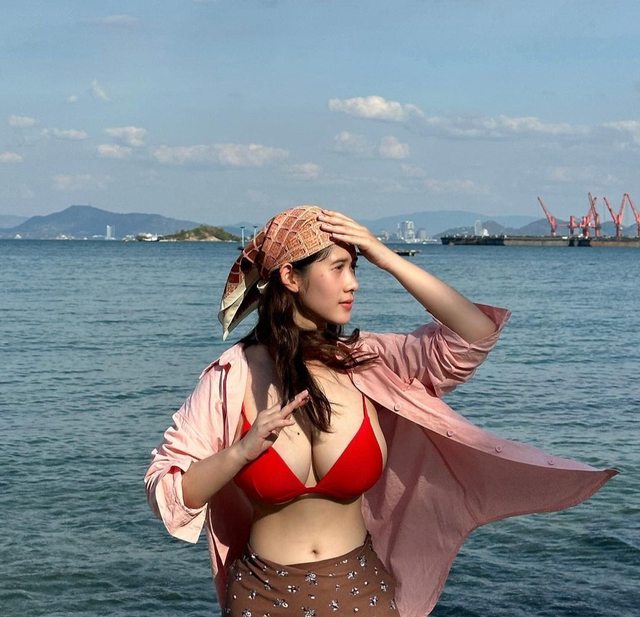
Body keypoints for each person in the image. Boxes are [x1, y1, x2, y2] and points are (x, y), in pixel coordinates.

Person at [145, 205, 615, 617]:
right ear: (291, 277)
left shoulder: (369, 362)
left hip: (360, 590)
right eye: (338, 268)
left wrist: (384, 255)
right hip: (261, 596)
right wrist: (239, 453)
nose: (352, 283)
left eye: (356, 268)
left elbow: (473, 335)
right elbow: (168, 490)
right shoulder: (231, 376)